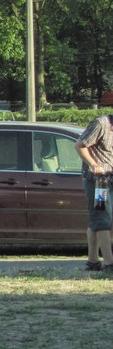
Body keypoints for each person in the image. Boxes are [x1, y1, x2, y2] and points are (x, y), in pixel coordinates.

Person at [75, 112, 113, 272]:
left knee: (97, 220)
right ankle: (109, 263)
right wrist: (94, 164)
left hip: (111, 177)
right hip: (99, 181)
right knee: (102, 218)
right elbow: (79, 145)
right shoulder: (100, 124)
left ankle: (93, 261)